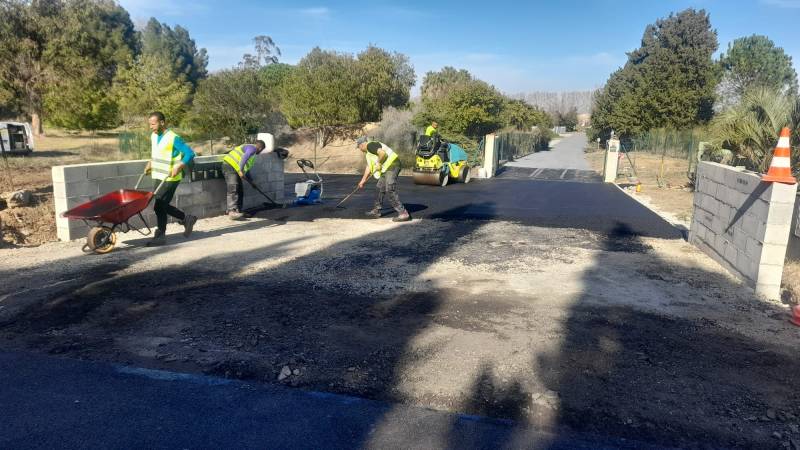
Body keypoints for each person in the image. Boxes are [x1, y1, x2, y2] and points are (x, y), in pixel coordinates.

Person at [143, 111, 197, 246]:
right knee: (161, 205)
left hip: (171, 177)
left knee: (159, 206)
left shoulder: (173, 138)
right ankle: (186, 218)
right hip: (158, 175)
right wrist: (150, 163)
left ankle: (161, 235)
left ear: (162, 122)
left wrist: (179, 166)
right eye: (150, 124)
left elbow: (190, 153)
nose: (151, 127)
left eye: (153, 124)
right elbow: (156, 152)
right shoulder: (153, 136)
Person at [356, 136, 411, 222]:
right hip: (386, 169)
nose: (359, 149)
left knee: (389, 188)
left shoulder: (370, 146)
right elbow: (369, 167)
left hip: (392, 165)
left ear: (362, 145)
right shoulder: (368, 154)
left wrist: (378, 162)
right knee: (379, 188)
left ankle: (403, 213)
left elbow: (382, 153)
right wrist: (362, 181)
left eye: (358, 147)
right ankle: (376, 211)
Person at [221, 140, 266, 220]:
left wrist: (251, 182)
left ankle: (238, 210)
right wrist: (240, 170)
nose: (261, 152)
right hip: (229, 166)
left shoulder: (253, 154)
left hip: (235, 169)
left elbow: (247, 170)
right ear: (260, 148)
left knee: (240, 190)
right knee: (233, 188)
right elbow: (244, 158)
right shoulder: (252, 148)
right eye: (262, 150)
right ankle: (232, 211)